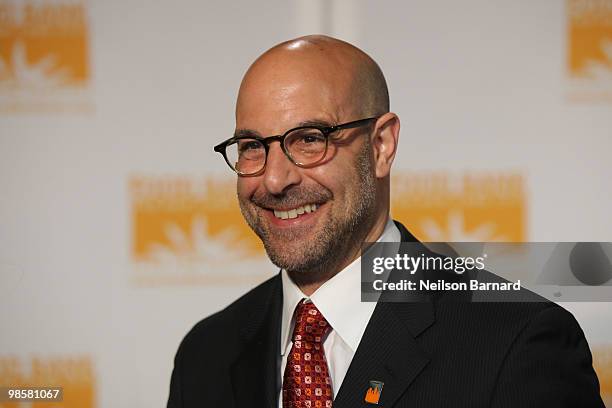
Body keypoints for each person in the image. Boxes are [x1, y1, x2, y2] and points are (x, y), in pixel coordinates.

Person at [167, 35, 604, 407]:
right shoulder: (206, 354)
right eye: (252, 146)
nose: (275, 179)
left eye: (309, 139)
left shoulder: (517, 344)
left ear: (381, 146)